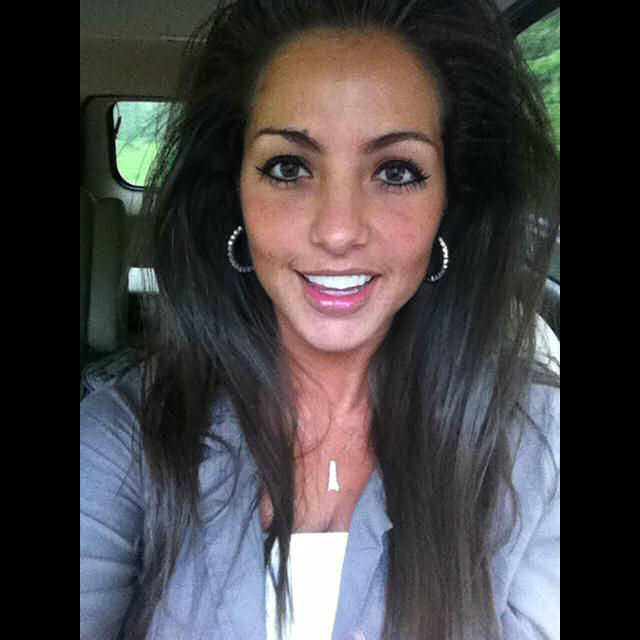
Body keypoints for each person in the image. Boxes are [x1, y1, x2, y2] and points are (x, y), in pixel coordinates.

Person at [80, 1, 560, 639]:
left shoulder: (541, 448)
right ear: (235, 193)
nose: (338, 231)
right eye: (289, 167)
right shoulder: (123, 439)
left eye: (396, 171)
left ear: (450, 200)